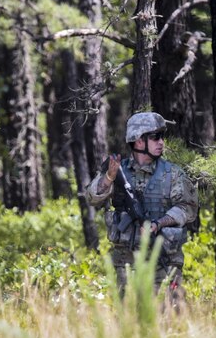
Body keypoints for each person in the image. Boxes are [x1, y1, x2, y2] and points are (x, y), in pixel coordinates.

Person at [84, 111, 198, 297]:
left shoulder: (173, 174)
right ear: (138, 141)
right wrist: (109, 178)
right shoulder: (118, 172)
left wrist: (159, 223)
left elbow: (188, 208)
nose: (161, 142)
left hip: (164, 260)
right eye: (155, 137)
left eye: (162, 137)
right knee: (128, 317)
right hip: (126, 262)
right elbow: (92, 197)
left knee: (168, 315)